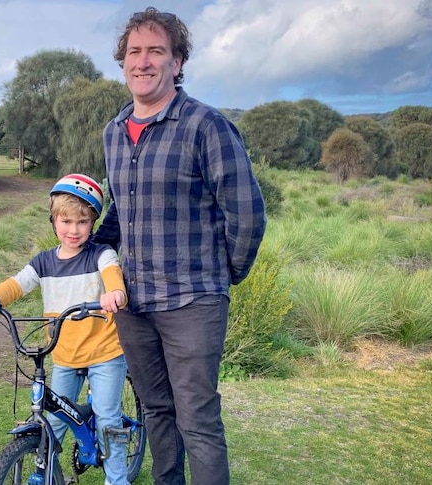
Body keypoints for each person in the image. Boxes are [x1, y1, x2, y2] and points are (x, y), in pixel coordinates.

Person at [91, 8, 267, 485]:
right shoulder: (114, 132)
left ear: (178, 61)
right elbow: (120, 213)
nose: (143, 62)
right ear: (122, 61)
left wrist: (220, 276)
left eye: (156, 51)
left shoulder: (206, 125)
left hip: (193, 301)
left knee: (198, 421)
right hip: (135, 303)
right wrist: (86, 251)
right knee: (156, 412)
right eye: (134, 52)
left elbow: (247, 213)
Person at [0, 174, 130, 485]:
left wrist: (115, 294)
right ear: (53, 221)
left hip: (104, 353)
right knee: (53, 420)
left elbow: (113, 276)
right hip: (65, 355)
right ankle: (44, 473)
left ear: (93, 221)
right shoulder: (43, 263)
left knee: (108, 419)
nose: (73, 229)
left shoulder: (101, 255)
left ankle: (117, 478)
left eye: (82, 221)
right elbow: (17, 284)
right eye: (65, 220)